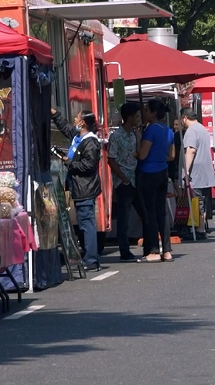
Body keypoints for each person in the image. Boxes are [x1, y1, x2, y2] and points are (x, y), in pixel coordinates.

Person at [51, 107, 102, 270]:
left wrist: (68, 161)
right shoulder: (78, 137)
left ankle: (91, 259)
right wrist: (54, 114)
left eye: (77, 118)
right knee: (82, 223)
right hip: (78, 187)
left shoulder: (91, 142)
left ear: (83, 123)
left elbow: (88, 165)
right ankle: (87, 256)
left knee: (87, 224)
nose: (74, 119)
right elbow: (65, 127)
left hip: (85, 188)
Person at [135, 99, 176, 262]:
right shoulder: (168, 131)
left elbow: (142, 154)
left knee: (148, 212)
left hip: (148, 172)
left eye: (146, 110)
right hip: (162, 171)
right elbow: (172, 155)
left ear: (153, 113)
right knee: (161, 212)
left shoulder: (150, 130)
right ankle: (166, 250)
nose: (144, 113)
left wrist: (137, 146)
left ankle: (152, 250)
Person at [107, 102, 142, 262]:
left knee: (143, 212)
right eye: (136, 116)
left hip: (135, 178)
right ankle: (124, 249)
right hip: (124, 182)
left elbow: (139, 153)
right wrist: (123, 178)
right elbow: (111, 159)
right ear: (129, 117)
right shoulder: (116, 136)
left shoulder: (134, 135)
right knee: (124, 218)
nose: (138, 118)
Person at [180, 108, 215, 238]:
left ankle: (199, 230)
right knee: (202, 201)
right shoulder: (201, 128)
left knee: (196, 201)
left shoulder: (191, 130)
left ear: (184, 118)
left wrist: (186, 171)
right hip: (205, 171)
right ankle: (201, 227)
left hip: (196, 172)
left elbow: (190, 150)